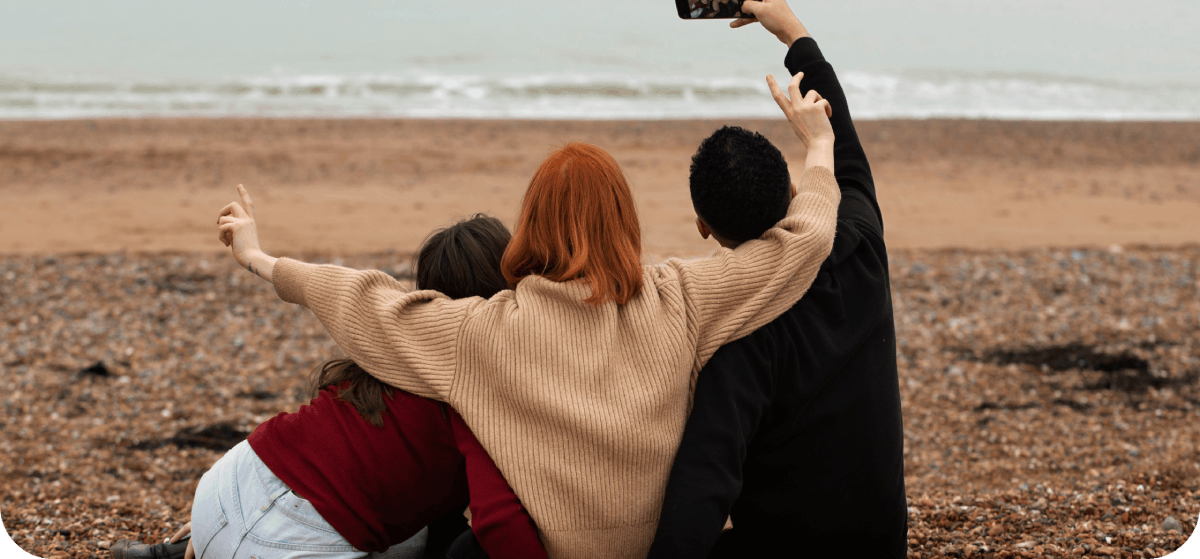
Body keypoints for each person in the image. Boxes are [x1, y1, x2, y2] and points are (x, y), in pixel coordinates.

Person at [213, 77, 841, 556]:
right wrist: (818, 148)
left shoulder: (482, 330)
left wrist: (261, 260)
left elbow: (363, 299)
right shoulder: (682, 297)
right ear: (625, 220)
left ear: (533, 223)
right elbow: (802, 241)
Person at [647, 0, 907, 558]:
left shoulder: (739, 335)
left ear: (705, 229)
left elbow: (702, 490)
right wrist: (791, 31)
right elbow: (845, 148)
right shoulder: (860, 244)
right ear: (795, 190)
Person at [112, 215, 547, 559]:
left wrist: (219, 521)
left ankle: (188, 549)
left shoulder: (389, 343)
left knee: (411, 521)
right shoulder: (475, 391)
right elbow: (498, 519)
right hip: (286, 540)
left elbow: (341, 287)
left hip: (226, 483)